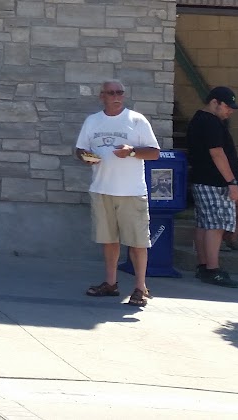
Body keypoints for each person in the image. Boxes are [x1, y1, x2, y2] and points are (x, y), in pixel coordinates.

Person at [74, 79, 161, 307]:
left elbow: (154, 153)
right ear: (102, 96)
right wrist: (87, 158)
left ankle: (140, 287)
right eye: (111, 93)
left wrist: (131, 152)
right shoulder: (93, 121)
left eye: (120, 92)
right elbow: (80, 149)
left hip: (131, 191)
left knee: (138, 242)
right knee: (109, 240)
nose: (116, 96)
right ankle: (111, 283)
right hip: (102, 189)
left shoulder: (136, 120)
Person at [186, 86, 238, 287]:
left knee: (204, 224)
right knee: (215, 225)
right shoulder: (210, 122)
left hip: (203, 180)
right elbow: (217, 153)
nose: (231, 111)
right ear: (214, 102)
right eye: (227, 106)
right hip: (214, 182)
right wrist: (232, 182)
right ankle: (212, 269)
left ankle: (204, 266)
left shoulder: (200, 119)